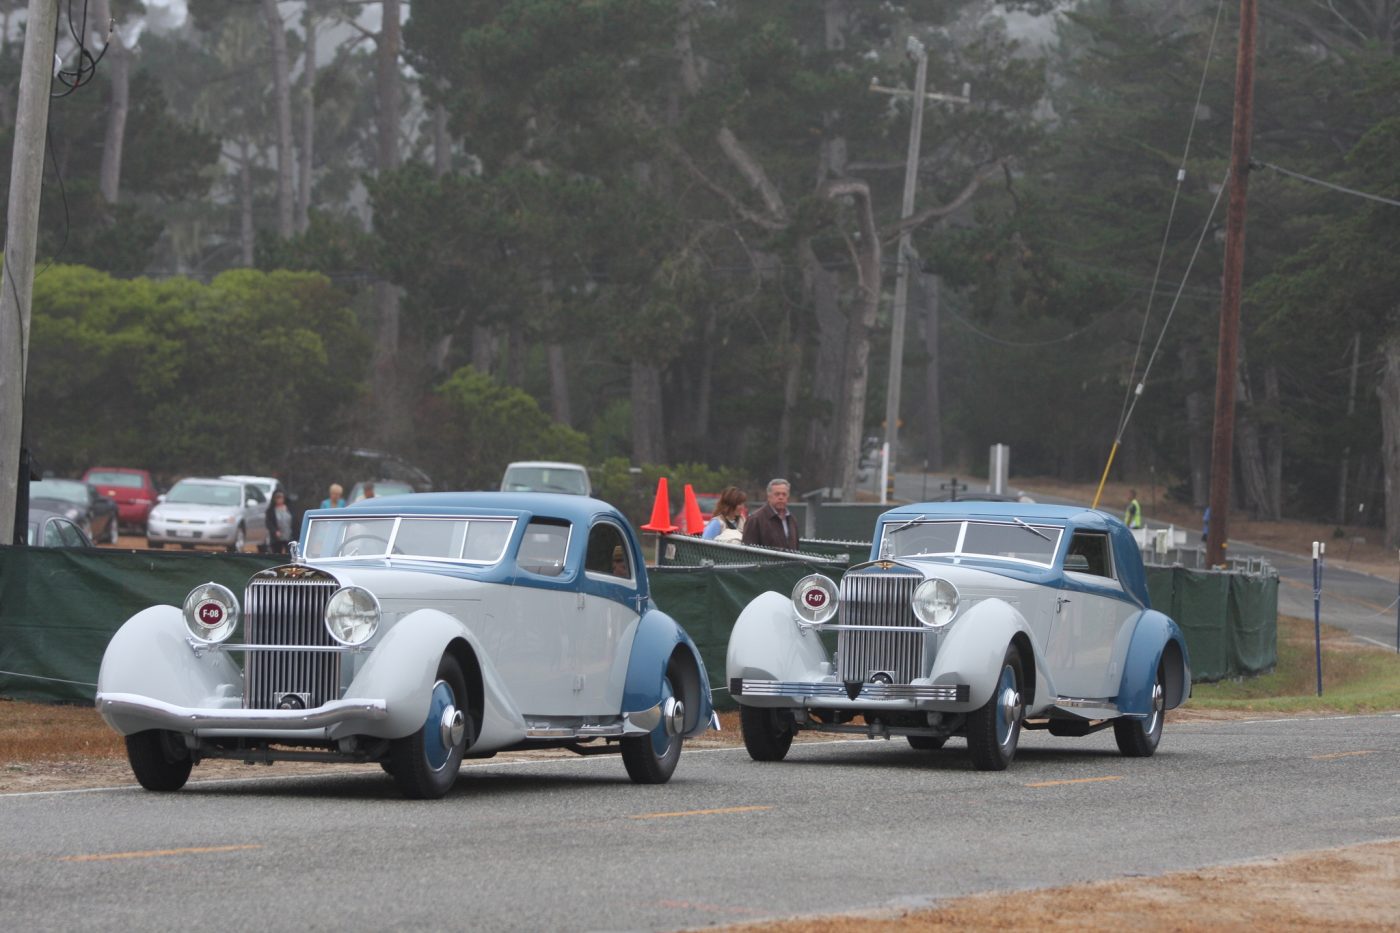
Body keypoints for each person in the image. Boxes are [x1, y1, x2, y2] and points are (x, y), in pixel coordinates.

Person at [742, 478, 799, 551]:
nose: (781, 497)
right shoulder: (755, 519)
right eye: (777, 494)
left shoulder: (792, 520)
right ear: (769, 497)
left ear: (788, 497)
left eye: (784, 494)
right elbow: (747, 552)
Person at [265, 490, 293, 555]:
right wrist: (275, 531)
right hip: (277, 538)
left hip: (289, 535)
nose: (279, 499)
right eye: (277, 497)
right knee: (277, 554)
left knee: (289, 554)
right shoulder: (270, 511)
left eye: (281, 497)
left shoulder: (290, 508)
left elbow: (295, 521)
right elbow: (268, 523)